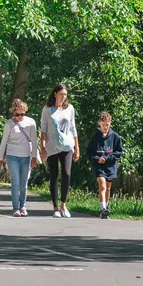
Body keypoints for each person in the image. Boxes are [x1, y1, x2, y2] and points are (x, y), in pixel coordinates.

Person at [0, 98, 41, 217]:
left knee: (24, 183)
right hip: (12, 156)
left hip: (26, 156)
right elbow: (3, 142)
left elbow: (34, 142)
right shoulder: (9, 124)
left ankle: (23, 206)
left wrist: (34, 157)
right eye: (17, 114)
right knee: (15, 181)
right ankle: (15, 207)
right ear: (13, 112)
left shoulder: (31, 122)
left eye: (22, 114)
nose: (20, 116)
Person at [39, 83, 79, 217]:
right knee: (54, 175)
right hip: (52, 146)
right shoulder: (47, 109)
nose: (63, 97)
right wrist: (43, 148)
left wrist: (77, 147)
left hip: (67, 146)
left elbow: (73, 127)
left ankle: (63, 204)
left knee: (67, 173)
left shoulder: (70, 109)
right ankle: (55, 207)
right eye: (61, 94)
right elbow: (43, 130)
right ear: (55, 94)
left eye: (65, 95)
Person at [89, 112, 125, 218]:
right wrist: (97, 158)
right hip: (99, 165)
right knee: (102, 185)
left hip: (110, 166)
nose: (106, 127)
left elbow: (118, 152)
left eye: (108, 124)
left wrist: (108, 158)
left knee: (108, 187)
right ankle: (103, 208)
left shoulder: (115, 136)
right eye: (104, 124)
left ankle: (106, 208)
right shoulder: (95, 137)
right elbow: (89, 151)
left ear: (110, 123)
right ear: (99, 123)